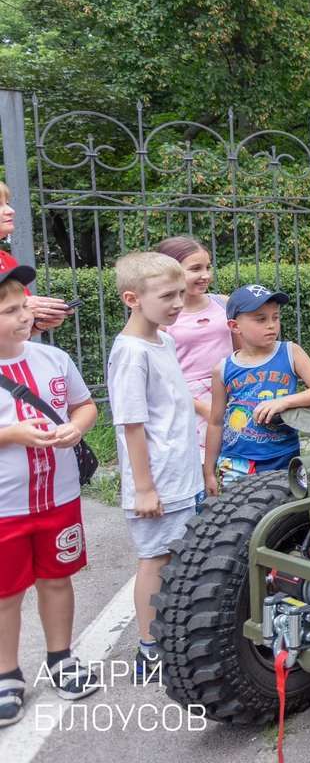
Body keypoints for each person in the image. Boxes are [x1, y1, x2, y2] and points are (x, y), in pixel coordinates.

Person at [0, 265, 101, 726]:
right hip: (6, 508)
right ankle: (7, 675)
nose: (25, 317)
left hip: (59, 499)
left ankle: (61, 657)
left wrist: (76, 428)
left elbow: (84, 405)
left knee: (57, 580)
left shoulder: (53, 359)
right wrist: (11, 433)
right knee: (6, 593)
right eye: (10, 311)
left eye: (25, 306)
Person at [106, 252, 204, 680]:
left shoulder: (162, 340)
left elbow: (176, 400)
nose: (178, 303)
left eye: (181, 293)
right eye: (167, 295)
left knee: (179, 557)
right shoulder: (130, 353)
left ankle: (170, 633)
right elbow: (132, 425)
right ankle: (148, 647)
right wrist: (144, 488)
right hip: (158, 481)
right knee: (154, 559)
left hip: (183, 470)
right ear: (132, 298)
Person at [205, 285, 310, 489]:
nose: (271, 325)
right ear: (235, 326)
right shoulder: (223, 369)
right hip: (237, 462)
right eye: (261, 319)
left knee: (283, 517)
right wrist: (209, 472)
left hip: (284, 457)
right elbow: (216, 422)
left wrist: (284, 402)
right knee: (239, 518)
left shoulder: (290, 352)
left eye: (275, 317)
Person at [156, 236, 232, 454]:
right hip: (187, 401)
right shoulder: (162, 317)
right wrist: (203, 408)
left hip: (229, 392)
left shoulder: (223, 303)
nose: (205, 275)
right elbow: (163, 378)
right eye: (195, 268)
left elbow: (241, 353)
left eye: (208, 267)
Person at [0, 181, 71, 334]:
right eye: (0, 205)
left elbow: (12, 332)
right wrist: (19, 308)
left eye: (6, 203)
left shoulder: (7, 259)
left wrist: (37, 324)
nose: (10, 210)